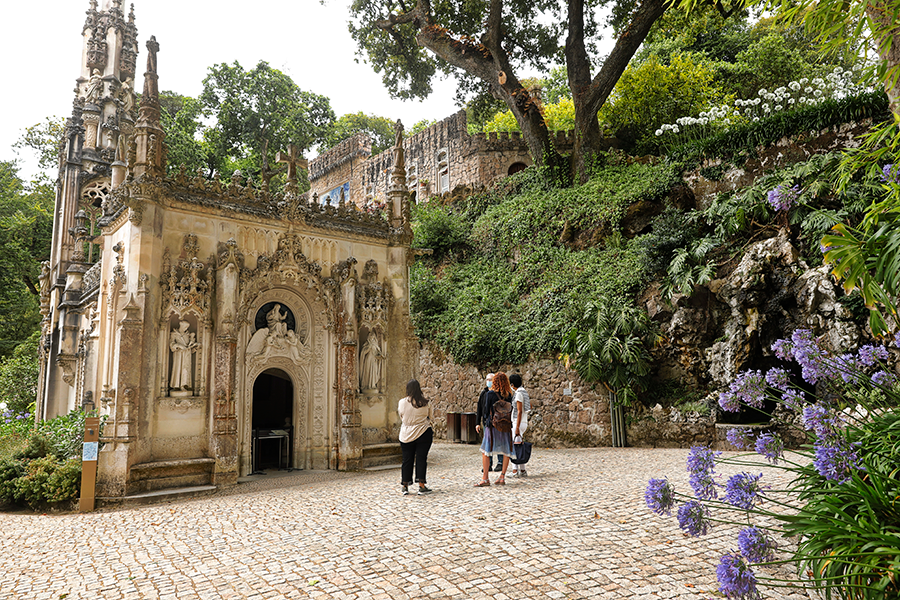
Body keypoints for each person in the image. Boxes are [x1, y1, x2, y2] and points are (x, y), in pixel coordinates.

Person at [475, 372, 514, 486]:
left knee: (486, 451)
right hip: (506, 425)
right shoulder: (509, 395)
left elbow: (486, 410)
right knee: (506, 450)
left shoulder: (490, 394)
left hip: (492, 425)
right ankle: (502, 477)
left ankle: (485, 478)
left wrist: (485, 421)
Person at [398, 379, 434, 496]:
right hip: (423, 431)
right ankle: (421, 485)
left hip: (406, 433)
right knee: (421, 459)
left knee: (407, 459)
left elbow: (401, 416)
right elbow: (430, 416)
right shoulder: (425, 402)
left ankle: (405, 485)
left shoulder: (402, 402)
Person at [475, 373, 499, 472]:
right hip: (486, 421)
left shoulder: (498, 393)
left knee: (498, 441)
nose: (488, 381)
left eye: (490, 380)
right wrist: (477, 423)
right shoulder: (484, 393)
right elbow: (479, 408)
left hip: (497, 421)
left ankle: (500, 462)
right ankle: (488, 464)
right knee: (488, 443)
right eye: (487, 379)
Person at [508, 373, 531, 477]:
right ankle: (522, 470)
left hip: (518, 422)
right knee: (519, 446)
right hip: (523, 422)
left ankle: (515, 470)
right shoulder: (524, 392)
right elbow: (528, 406)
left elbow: (519, 411)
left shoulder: (518, 394)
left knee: (515, 447)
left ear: (512, 384)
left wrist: (516, 427)